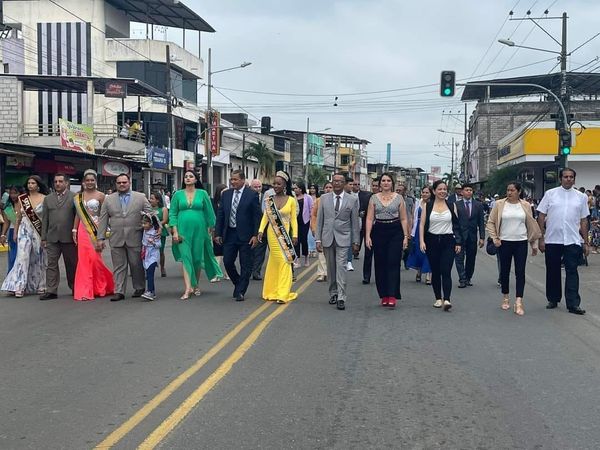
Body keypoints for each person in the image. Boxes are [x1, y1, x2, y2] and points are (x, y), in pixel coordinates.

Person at [537, 168, 589, 315]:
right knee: (552, 270)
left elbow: (584, 220)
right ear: (560, 179)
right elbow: (541, 216)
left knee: (572, 271)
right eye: (565, 177)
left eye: (571, 177)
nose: (568, 179)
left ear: (574, 179)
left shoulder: (581, 197)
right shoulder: (550, 194)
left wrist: (586, 242)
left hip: (572, 240)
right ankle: (553, 299)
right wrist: (541, 238)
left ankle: (573, 304)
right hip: (553, 239)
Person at [486, 181, 542, 316]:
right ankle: (505, 296)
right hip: (504, 242)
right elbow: (491, 222)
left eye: (512, 190)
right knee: (504, 271)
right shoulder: (499, 204)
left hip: (521, 242)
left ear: (519, 192)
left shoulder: (526, 205)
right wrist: (495, 238)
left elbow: (530, 225)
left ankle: (519, 301)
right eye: (508, 190)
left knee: (520, 272)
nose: (509, 193)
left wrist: (533, 244)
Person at [97, 173, 153, 301]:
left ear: (129, 183)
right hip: (116, 237)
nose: (122, 184)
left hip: (135, 236)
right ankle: (119, 291)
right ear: (116, 184)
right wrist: (100, 238)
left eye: (124, 182)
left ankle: (139, 287)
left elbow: (150, 215)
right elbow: (103, 219)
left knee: (136, 264)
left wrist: (151, 230)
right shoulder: (108, 199)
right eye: (119, 183)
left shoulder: (140, 197)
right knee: (119, 266)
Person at [170, 171, 223, 300]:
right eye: (186, 176)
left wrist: (212, 229)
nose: (187, 178)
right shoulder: (177, 194)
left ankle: (196, 284)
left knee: (197, 259)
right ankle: (188, 288)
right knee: (186, 258)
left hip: (200, 230)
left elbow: (209, 212)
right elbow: (173, 213)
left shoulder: (202, 193)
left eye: (190, 176)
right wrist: (175, 231)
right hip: (182, 230)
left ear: (195, 180)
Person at [315, 173, 360, 311]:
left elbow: (355, 223)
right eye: (334, 181)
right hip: (327, 237)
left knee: (341, 267)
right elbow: (320, 220)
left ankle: (341, 297)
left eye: (340, 181)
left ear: (344, 183)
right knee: (331, 268)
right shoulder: (324, 198)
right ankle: (333, 293)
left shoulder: (352, 200)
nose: (336, 183)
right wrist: (318, 239)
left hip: (344, 238)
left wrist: (356, 241)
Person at [215, 169, 261, 302]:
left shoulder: (251, 195)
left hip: (246, 235)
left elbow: (257, 216)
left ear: (242, 180)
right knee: (228, 261)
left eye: (235, 179)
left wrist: (255, 235)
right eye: (232, 179)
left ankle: (240, 291)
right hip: (229, 233)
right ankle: (238, 282)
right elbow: (221, 215)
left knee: (246, 264)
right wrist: (218, 233)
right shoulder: (226, 195)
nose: (233, 182)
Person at [365, 173, 409, 308]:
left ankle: (392, 294)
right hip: (379, 230)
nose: (386, 183)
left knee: (393, 262)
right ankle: (383, 294)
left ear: (392, 183)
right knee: (380, 263)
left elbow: (403, 218)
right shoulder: (374, 198)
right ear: (380, 184)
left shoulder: (399, 198)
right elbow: (369, 218)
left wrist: (406, 236)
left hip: (395, 231)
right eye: (383, 180)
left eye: (388, 180)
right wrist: (368, 235)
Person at [1, 176, 48, 297]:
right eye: (29, 183)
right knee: (22, 257)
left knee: (39, 257)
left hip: (38, 231)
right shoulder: (23, 198)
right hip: (24, 230)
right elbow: (18, 217)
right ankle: (19, 286)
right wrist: (15, 233)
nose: (30, 185)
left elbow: (47, 218)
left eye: (33, 183)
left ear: (38, 185)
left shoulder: (45, 198)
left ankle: (41, 285)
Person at [419, 180, 462, 311]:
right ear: (434, 191)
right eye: (440, 189)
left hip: (448, 241)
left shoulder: (451, 206)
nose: (442, 191)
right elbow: (422, 224)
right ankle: (438, 298)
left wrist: (458, 242)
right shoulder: (428, 206)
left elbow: (456, 225)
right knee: (436, 271)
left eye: (444, 189)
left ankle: (447, 299)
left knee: (446, 270)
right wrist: (422, 241)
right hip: (432, 241)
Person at [72, 169, 114, 302]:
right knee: (83, 260)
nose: (89, 182)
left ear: (95, 181)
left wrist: (105, 232)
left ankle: (102, 286)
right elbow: (78, 215)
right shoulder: (78, 197)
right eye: (87, 180)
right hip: (82, 230)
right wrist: (74, 230)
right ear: (83, 182)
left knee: (95, 259)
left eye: (92, 180)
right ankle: (85, 290)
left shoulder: (101, 196)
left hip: (96, 230)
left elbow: (105, 214)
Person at [257, 171, 298, 304]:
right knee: (274, 260)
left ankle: (283, 293)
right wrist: (260, 230)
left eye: (278, 184)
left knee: (285, 260)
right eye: (274, 184)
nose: (275, 186)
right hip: (272, 233)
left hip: (284, 234)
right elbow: (266, 216)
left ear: (284, 185)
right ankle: (272, 290)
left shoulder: (291, 200)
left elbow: (293, 219)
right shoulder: (269, 200)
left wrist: (295, 235)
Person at [40, 173, 78, 300]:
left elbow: (78, 217)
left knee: (71, 264)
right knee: (51, 264)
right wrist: (43, 237)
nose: (58, 184)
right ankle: (51, 290)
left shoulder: (74, 197)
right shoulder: (48, 199)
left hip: (69, 238)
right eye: (56, 181)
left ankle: (75, 287)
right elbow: (45, 219)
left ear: (66, 183)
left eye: (61, 181)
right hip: (52, 237)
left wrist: (76, 233)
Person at [454, 183, 485, 288]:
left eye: (470, 190)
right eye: (466, 190)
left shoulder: (478, 205)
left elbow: (481, 222)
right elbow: (454, 222)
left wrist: (482, 237)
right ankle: (462, 279)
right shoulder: (456, 205)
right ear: (462, 192)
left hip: (472, 236)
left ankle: (468, 278)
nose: (469, 192)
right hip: (459, 236)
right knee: (459, 258)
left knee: (471, 258)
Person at [407, 185, 433, 284]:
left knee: (429, 252)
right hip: (418, 230)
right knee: (419, 251)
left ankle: (429, 274)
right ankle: (419, 271)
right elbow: (412, 217)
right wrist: (410, 231)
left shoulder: (433, 204)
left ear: (431, 194)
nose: (425, 194)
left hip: (429, 229)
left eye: (427, 192)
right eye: (423, 192)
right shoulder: (418, 202)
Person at [311, 181, 333, 282]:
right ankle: (322, 273)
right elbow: (314, 215)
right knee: (321, 252)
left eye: (330, 187)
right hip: (321, 229)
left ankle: (331, 273)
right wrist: (314, 228)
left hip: (333, 230)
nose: (328, 189)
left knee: (332, 253)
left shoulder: (337, 200)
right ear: (323, 189)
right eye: (326, 187)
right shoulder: (319, 200)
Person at [0, 186, 25, 274]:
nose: (13, 195)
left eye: (15, 193)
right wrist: (3, 235)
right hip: (12, 232)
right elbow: (6, 222)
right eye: (11, 193)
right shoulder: (8, 207)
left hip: (24, 232)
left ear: (20, 193)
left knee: (23, 257)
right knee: (13, 257)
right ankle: (11, 276)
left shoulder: (25, 204)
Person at [359, 178, 378, 284]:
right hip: (368, 229)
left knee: (380, 255)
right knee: (368, 254)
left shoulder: (385, 198)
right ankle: (366, 276)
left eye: (377, 186)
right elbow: (361, 211)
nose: (375, 188)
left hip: (380, 229)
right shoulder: (367, 198)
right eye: (373, 185)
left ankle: (380, 276)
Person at [141, 213, 161, 301]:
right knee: (148, 273)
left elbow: (159, 245)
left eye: (145, 223)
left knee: (150, 273)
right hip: (146, 254)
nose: (143, 225)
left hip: (153, 255)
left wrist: (153, 242)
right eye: (142, 223)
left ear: (151, 223)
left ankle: (150, 291)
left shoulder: (155, 232)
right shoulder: (145, 231)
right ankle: (152, 291)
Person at [211, 184, 229, 282]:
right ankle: (217, 274)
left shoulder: (229, 202)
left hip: (228, 229)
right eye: (223, 191)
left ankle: (228, 273)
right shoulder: (213, 203)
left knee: (228, 252)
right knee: (217, 252)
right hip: (217, 229)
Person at [293, 181, 313, 268]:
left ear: (301, 189)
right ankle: (297, 260)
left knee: (304, 240)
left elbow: (311, 209)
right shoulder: (293, 197)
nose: (295, 190)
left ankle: (306, 257)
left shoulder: (307, 197)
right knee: (295, 240)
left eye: (296, 188)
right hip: (295, 221)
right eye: (294, 188)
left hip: (304, 221)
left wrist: (311, 221)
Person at [250, 179, 267, 281]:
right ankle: (250, 270)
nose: (257, 189)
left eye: (259, 187)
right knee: (251, 251)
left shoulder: (266, 198)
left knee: (260, 252)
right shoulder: (248, 197)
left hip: (264, 229)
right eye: (255, 187)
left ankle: (256, 272)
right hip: (251, 228)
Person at [149, 191, 169, 277]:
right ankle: (149, 269)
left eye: (152, 198)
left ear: (157, 200)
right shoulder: (149, 209)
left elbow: (165, 220)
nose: (150, 200)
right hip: (150, 232)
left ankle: (162, 268)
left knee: (161, 251)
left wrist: (157, 224)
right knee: (149, 251)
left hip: (160, 231)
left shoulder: (163, 209)